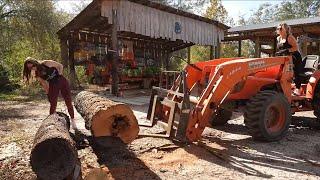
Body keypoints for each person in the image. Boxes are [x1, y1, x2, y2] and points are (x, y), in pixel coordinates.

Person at [22, 57, 79, 131]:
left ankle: (73, 121)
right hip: (53, 85)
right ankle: (52, 123)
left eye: (33, 66)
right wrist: (48, 94)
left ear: (35, 63)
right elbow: (45, 84)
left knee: (68, 101)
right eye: (30, 68)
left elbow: (60, 66)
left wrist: (59, 75)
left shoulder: (46, 63)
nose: (33, 68)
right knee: (53, 103)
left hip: (62, 81)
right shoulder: (37, 74)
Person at [276, 23, 304, 96]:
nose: (278, 30)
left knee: (295, 72)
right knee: (282, 73)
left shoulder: (290, 37)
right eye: (278, 28)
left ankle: (298, 88)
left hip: (294, 57)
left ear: (285, 29)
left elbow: (295, 48)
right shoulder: (278, 38)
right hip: (285, 58)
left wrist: (287, 51)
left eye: (280, 28)